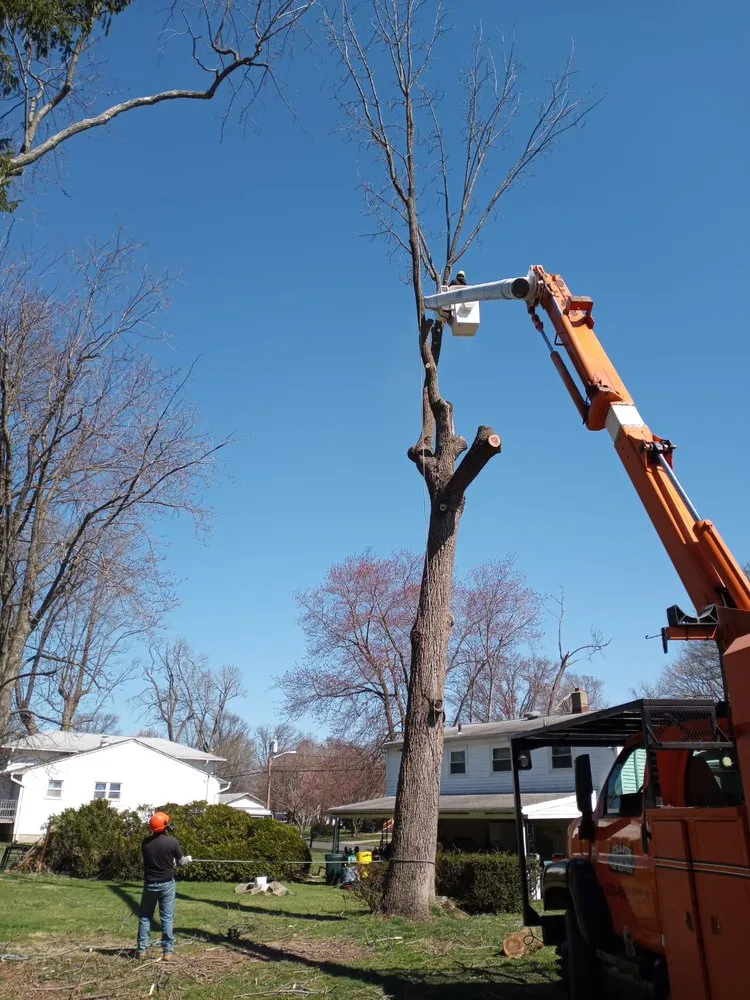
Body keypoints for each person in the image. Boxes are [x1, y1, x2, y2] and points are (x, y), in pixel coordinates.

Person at [136, 811, 191, 961]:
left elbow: (155, 859)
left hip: (150, 884)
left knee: (145, 917)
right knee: (166, 917)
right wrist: (187, 859)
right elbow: (181, 862)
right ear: (165, 826)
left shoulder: (145, 843)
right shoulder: (172, 842)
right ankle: (167, 952)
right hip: (167, 883)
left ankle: (141, 951)